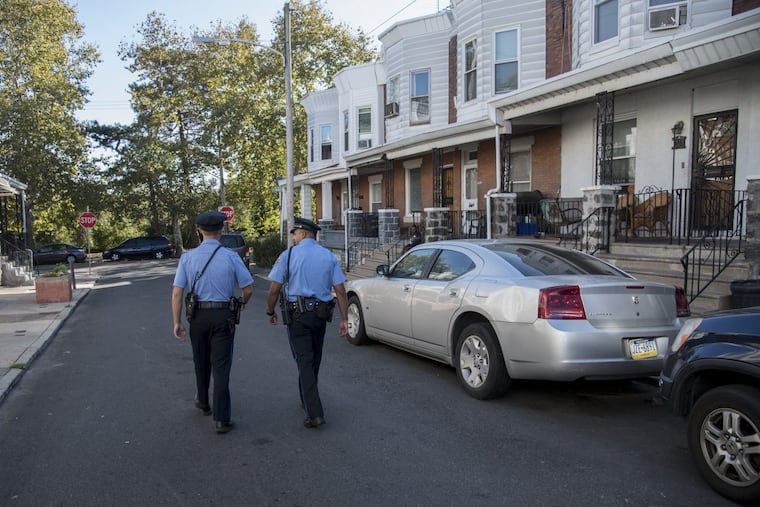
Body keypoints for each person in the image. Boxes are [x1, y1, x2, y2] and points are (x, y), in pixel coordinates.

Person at [172, 211, 254, 434]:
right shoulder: (231, 257)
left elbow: (178, 292)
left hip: (197, 316)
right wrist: (241, 302)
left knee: (200, 360)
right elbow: (248, 289)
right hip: (222, 316)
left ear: (199, 231)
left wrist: (176, 321)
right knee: (221, 366)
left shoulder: (187, 258)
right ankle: (221, 418)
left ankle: (203, 402)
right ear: (221, 231)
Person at [265, 217, 348, 429]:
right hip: (320, 315)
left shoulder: (289, 255)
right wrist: (345, 319)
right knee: (314, 359)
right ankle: (306, 397)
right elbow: (340, 290)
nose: (293, 237)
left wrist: (270, 311)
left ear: (303, 234)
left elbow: (274, 288)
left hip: (298, 317)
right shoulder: (328, 256)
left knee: (304, 361)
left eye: (295, 234)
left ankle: (315, 413)